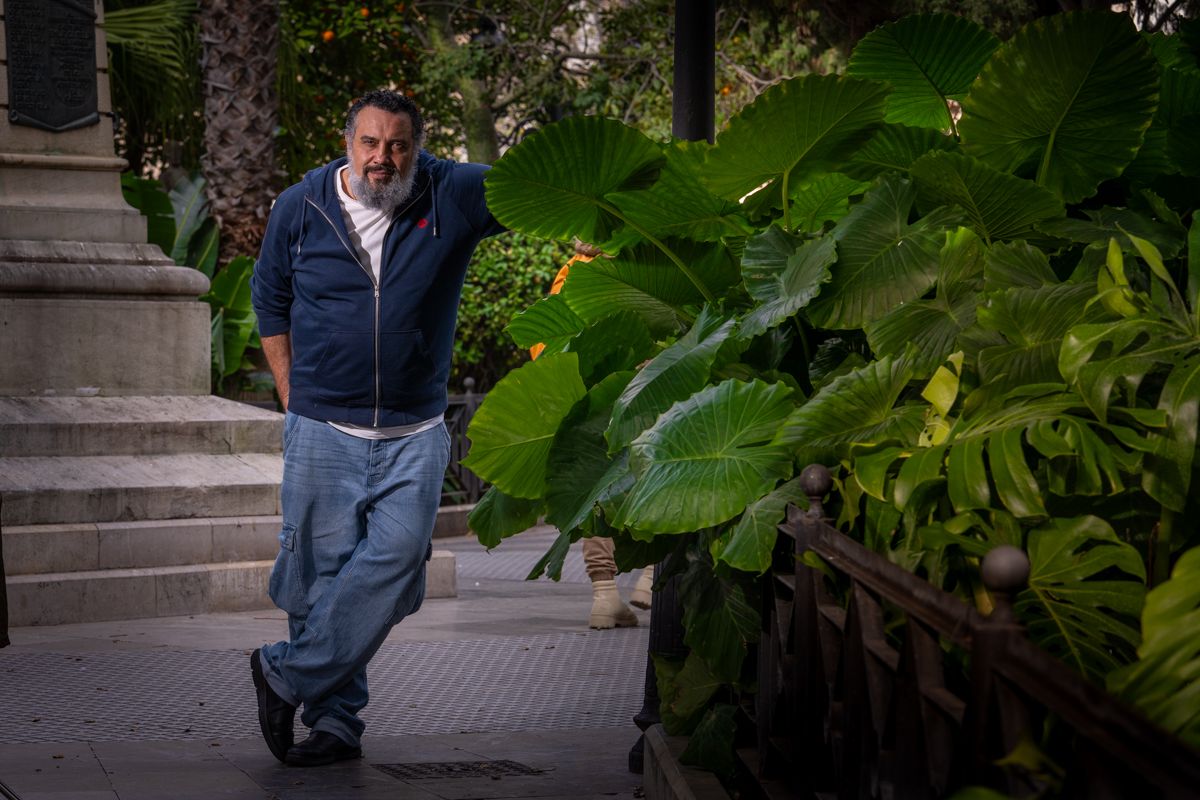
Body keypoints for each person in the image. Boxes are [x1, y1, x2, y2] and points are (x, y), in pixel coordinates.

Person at [249, 89, 504, 767]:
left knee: (400, 562)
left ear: (417, 148)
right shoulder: (300, 206)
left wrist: (589, 228)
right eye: (369, 142)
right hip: (322, 426)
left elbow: (536, 189)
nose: (381, 158)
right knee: (317, 578)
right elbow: (269, 299)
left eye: (397, 145)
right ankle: (335, 724)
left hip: (414, 430)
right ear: (348, 143)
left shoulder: (452, 193)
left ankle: (285, 674)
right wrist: (291, 395)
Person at [532, 253, 654, 629]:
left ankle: (605, 595)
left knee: (596, 492)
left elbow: (543, 345)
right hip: (642, 389)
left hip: (589, 400)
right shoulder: (645, 259)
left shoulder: (572, 273)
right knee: (656, 475)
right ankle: (651, 576)